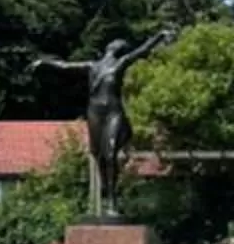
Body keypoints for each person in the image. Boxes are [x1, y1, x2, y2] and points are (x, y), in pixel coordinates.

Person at [34, 30, 173, 219]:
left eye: (118, 44)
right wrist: (44, 62)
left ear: (118, 50)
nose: (114, 45)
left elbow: (142, 50)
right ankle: (106, 191)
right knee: (99, 155)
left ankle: (112, 201)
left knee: (110, 153)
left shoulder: (121, 63)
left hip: (113, 112)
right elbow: (65, 66)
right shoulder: (92, 66)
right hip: (95, 112)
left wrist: (159, 36)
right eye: (114, 43)